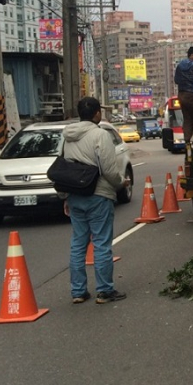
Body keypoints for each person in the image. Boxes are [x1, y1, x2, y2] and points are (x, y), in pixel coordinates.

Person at [61, 96, 131, 304]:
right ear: (97, 114)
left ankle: (78, 291)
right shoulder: (100, 135)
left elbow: (66, 167)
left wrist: (66, 197)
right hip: (98, 194)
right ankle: (104, 291)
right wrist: (121, 183)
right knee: (101, 243)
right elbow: (108, 169)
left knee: (78, 244)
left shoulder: (69, 135)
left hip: (75, 194)